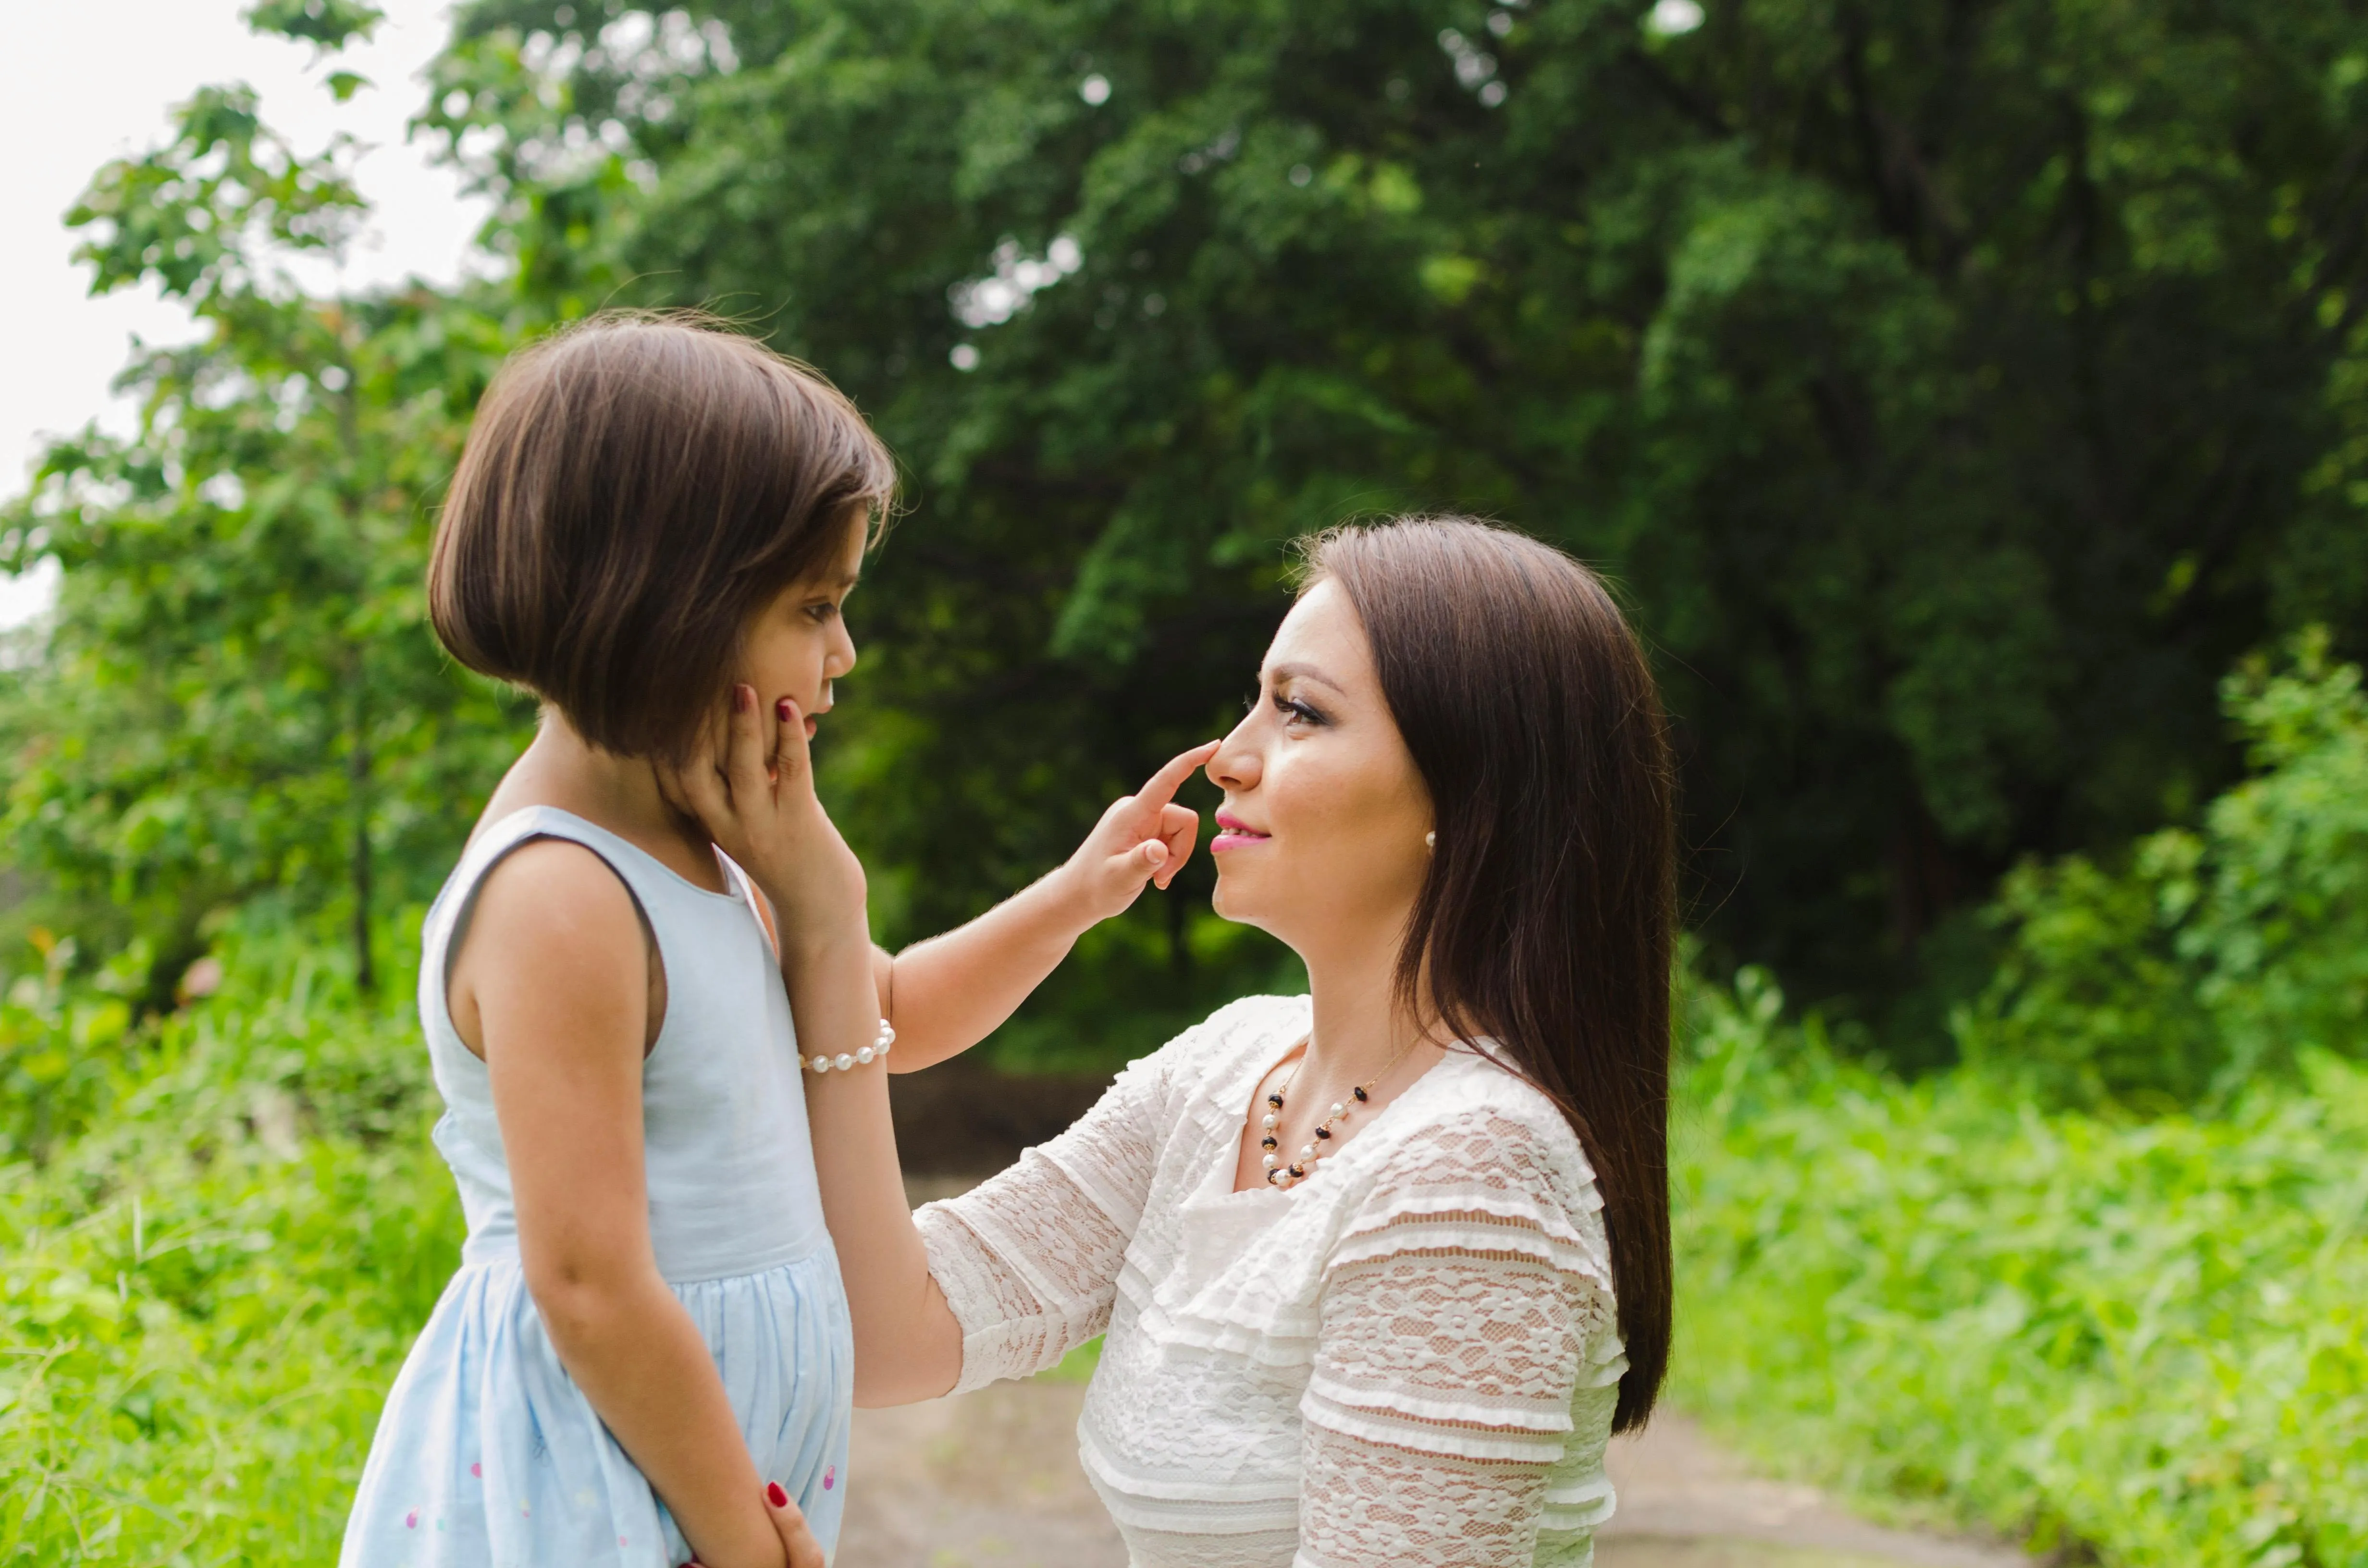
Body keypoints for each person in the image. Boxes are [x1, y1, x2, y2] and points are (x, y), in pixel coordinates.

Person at [340, 312, 1213, 1568]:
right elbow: (587, 1284)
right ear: (661, 600)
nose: (843, 653)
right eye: (815, 607)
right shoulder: (564, 895)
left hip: (708, 1480)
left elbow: (892, 1015)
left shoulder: (720, 845)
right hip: (599, 1481)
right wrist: (738, 1537)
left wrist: (1076, 892)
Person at [698, 515, 1677, 1566]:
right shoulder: (1224, 1072)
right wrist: (825, 927)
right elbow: (890, 1333)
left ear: (1469, 793)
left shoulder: (1470, 1177)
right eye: (1254, 701)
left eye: (1299, 714)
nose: (1230, 760)